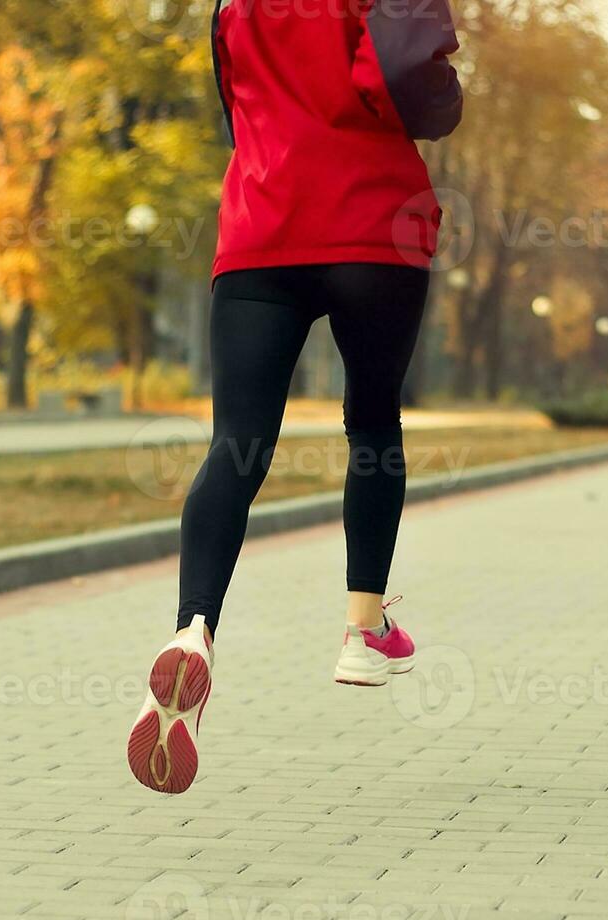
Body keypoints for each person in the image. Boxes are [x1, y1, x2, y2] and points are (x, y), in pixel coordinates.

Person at [127, 0, 464, 794]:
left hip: (261, 232)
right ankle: (363, 631)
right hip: (372, 228)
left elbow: (234, 109)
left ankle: (195, 628)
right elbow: (418, 82)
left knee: (235, 446)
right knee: (373, 422)